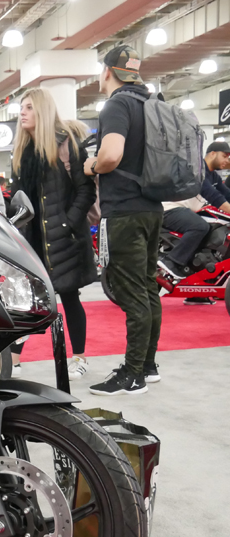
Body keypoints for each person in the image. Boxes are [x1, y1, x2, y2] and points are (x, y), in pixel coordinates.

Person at [84, 44, 162, 396]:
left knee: (132, 294)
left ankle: (133, 375)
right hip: (151, 208)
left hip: (125, 212)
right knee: (148, 288)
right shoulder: (150, 105)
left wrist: (92, 165)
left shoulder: (117, 104)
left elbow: (112, 154)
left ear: (107, 72)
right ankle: (148, 365)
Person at [8, 88, 97, 380]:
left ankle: (80, 358)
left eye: (29, 107)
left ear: (43, 111)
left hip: (66, 239)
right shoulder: (21, 153)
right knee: (28, 301)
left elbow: (86, 189)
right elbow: (18, 198)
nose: (23, 112)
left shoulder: (65, 145)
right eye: (22, 107)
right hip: (33, 241)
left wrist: (67, 224)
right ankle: (13, 359)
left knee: (71, 297)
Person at [157, 141, 230, 293]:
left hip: (187, 211)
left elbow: (226, 194)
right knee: (200, 227)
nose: (227, 161)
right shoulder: (197, 171)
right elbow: (214, 196)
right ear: (212, 153)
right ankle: (171, 261)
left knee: (214, 227)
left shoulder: (214, 176)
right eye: (225, 156)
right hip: (171, 208)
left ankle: (198, 285)